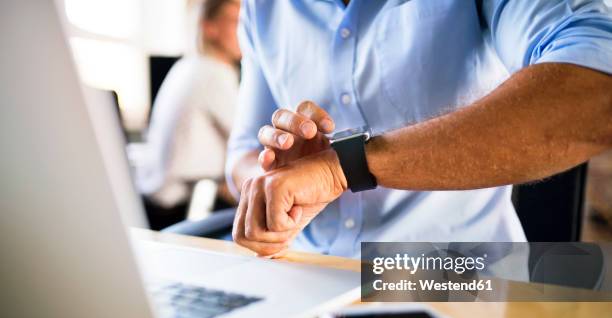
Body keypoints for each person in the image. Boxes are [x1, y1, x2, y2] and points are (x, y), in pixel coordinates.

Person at [227, 0, 612, 258]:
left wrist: (342, 166)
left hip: (452, 276)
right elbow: (241, 156)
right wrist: (274, 179)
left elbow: (597, 92)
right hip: (307, 272)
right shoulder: (263, 8)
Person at [130, 0, 241, 228]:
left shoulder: (187, 66)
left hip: (155, 199)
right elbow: (248, 138)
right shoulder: (214, 73)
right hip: (184, 205)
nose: (244, 30)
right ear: (209, 27)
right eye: (235, 21)